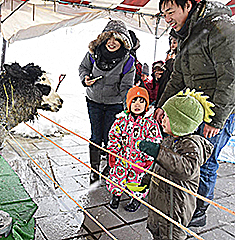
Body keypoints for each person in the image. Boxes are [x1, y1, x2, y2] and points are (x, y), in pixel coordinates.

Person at [155, 0, 235, 227]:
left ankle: (199, 210)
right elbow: (177, 77)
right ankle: (182, 200)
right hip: (193, 110)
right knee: (187, 157)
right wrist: (162, 105)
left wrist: (216, 119)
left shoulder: (221, 28)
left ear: (188, 5)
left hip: (218, 112)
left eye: (170, 12)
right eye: (163, 14)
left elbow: (231, 78)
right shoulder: (187, 34)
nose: (167, 18)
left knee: (206, 161)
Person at [140, 89, 214, 239]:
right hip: (160, 201)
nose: (162, 120)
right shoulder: (169, 139)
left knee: (171, 235)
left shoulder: (192, 145)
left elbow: (186, 169)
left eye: (167, 117)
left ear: (179, 122)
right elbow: (160, 165)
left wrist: (158, 152)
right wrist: (147, 179)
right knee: (158, 232)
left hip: (175, 207)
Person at [79, 19, 135, 184]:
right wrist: (85, 78)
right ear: (103, 38)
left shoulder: (128, 60)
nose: (112, 43)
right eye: (109, 38)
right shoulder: (93, 53)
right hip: (93, 100)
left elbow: (126, 86)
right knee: (96, 136)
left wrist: (128, 108)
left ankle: (110, 167)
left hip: (114, 104)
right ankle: (94, 170)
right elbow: (82, 68)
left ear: (123, 41)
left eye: (116, 39)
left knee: (111, 138)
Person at [106, 86, 162, 211]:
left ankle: (136, 198)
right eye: (134, 101)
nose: (137, 105)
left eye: (141, 101)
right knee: (117, 177)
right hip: (122, 157)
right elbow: (114, 135)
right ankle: (116, 195)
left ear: (146, 104)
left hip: (139, 160)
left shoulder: (150, 123)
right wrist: (113, 152)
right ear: (128, 103)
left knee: (137, 181)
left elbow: (154, 141)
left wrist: (148, 160)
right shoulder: (121, 120)